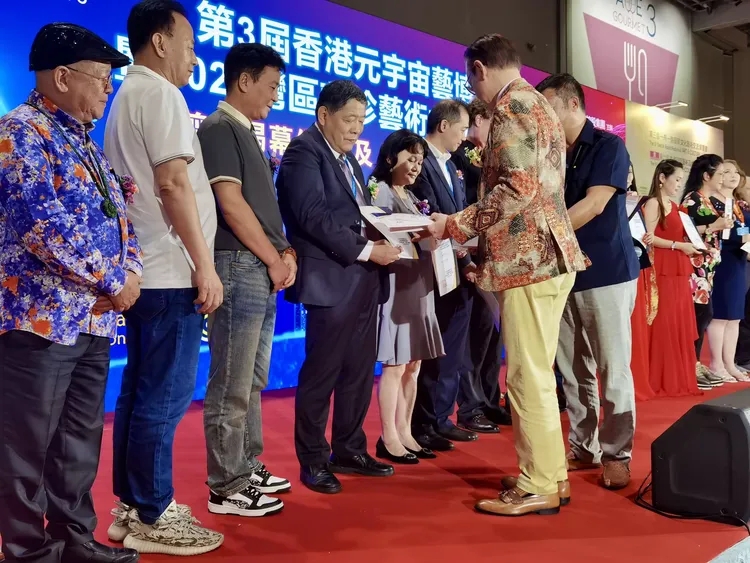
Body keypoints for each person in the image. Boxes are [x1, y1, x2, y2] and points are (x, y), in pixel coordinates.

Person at [428, 34, 588, 516]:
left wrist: (454, 225)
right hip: (548, 256)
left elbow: (517, 188)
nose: (470, 87)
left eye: (469, 77)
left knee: (525, 376)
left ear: (479, 68)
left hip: (528, 261)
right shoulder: (539, 104)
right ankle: (551, 474)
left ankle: (537, 483)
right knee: (536, 373)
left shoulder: (512, 106)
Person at [0, 23, 140, 563]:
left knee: (78, 443)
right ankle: (29, 551)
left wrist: (130, 271)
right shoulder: (21, 132)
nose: (108, 88)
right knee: (26, 447)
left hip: (93, 319)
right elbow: (42, 226)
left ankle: (76, 540)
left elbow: (120, 220)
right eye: (101, 77)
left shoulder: (84, 142)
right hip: (41, 321)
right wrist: (114, 281)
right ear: (62, 77)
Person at [104, 0, 224, 555]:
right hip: (171, 271)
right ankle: (153, 512)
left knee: (139, 394)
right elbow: (173, 184)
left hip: (145, 270)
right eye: (190, 44)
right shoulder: (160, 94)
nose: (195, 58)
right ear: (159, 42)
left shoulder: (126, 95)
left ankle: (131, 507)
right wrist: (205, 265)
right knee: (164, 399)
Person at [275, 80, 400, 494]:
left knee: (358, 372)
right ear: (324, 115)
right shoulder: (303, 152)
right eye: (349, 120)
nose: (356, 129)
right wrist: (368, 250)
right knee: (321, 374)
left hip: (362, 279)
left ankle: (349, 449)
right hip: (330, 281)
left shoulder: (350, 162)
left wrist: (391, 233)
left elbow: (358, 216)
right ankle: (313, 459)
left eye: (362, 121)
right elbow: (312, 217)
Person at [197, 43, 294, 518]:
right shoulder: (219, 128)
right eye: (272, 86)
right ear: (244, 80)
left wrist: (283, 251)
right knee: (232, 382)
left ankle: (246, 465)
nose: (276, 96)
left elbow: (258, 205)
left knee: (252, 379)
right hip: (237, 265)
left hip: (256, 265)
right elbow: (231, 205)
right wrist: (274, 258)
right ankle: (226, 484)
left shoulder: (245, 131)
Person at [536, 73, 639, 490]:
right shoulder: (548, 154)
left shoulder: (608, 146)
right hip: (563, 273)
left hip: (606, 273)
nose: (542, 116)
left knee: (612, 367)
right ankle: (583, 446)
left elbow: (595, 204)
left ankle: (618, 454)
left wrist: (540, 237)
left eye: (548, 106)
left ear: (573, 104)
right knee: (572, 367)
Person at [411, 99, 499, 452]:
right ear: (443, 126)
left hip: (458, 267)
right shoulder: (419, 160)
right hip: (432, 268)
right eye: (462, 129)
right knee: (433, 351)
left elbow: (461, 214)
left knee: (453, 350)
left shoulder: (453, 165)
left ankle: (442, 418)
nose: (464, 136)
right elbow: (429, 213)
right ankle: (424, 423)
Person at [370, 129, 443, 464]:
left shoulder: (413, 198)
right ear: (390, 157)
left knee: (413, 365)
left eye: (420, 160)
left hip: (420, 283)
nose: (416, 166)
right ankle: (388, 436)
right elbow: (378, 236)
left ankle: (405, 430)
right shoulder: (380, 192)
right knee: (396, 365)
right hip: (397, 285)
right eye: (410, 158)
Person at [451, 98, 511, 426]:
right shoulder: (459, 157)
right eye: (493, 123)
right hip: (467, 255)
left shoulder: (492, 155)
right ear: (478, 120)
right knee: (474, 334)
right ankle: (470, 405)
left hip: (493, 254)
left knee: (492, 334)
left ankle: (489, 398)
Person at [642, 160, 702, 396]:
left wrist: (693, 246)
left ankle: (678, 376)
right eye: (676, 179)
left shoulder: (675, 206)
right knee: (664, 321)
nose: (679, 184)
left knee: (678, 321)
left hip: (678, 267)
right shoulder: (653, 203)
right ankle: (661, 377)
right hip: (662, 268)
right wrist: (678, 245)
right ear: (662, 178)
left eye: (680, 180)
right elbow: (648, 237)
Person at [680, 155, 733, 388]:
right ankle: (690, 365)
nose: (722, 178)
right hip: (695, 269)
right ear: (706, 176)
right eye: (720, 173)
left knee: (702, 315)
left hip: (707, 269)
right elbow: (685, 232)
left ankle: (696, 363)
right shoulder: (692, 200)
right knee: (700, 314)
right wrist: (714, 226)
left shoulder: (707, 200)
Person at [704, 159, 750, 382]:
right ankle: (716, 364)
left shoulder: (740, 205)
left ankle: (730, 364)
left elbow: (745, 229)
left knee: (735, 318)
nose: (733, 176)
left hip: (740, 261)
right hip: (722, 261)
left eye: (736, 172)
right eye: (727, 172)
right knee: (721, 315)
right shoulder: (710, 201)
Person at [626, 165, 658, 401]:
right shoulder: (606, 197)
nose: (627, 176)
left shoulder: (639, 202)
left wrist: (648, 238)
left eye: (630, 172)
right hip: (615, 268)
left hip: (637, 265)